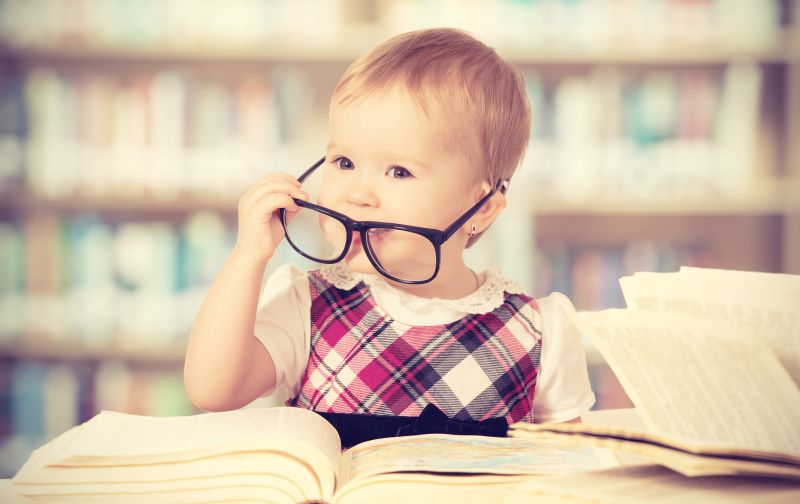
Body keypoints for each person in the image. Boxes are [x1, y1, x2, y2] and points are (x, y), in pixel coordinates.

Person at [184, 28, 595, 440]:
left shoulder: (539, 331)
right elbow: (213, 389)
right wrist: (248, 256)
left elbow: (570, 467)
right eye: (343, 162)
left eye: (399, 171)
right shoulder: (308, 306)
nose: (358, 194)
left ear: (481, 209)